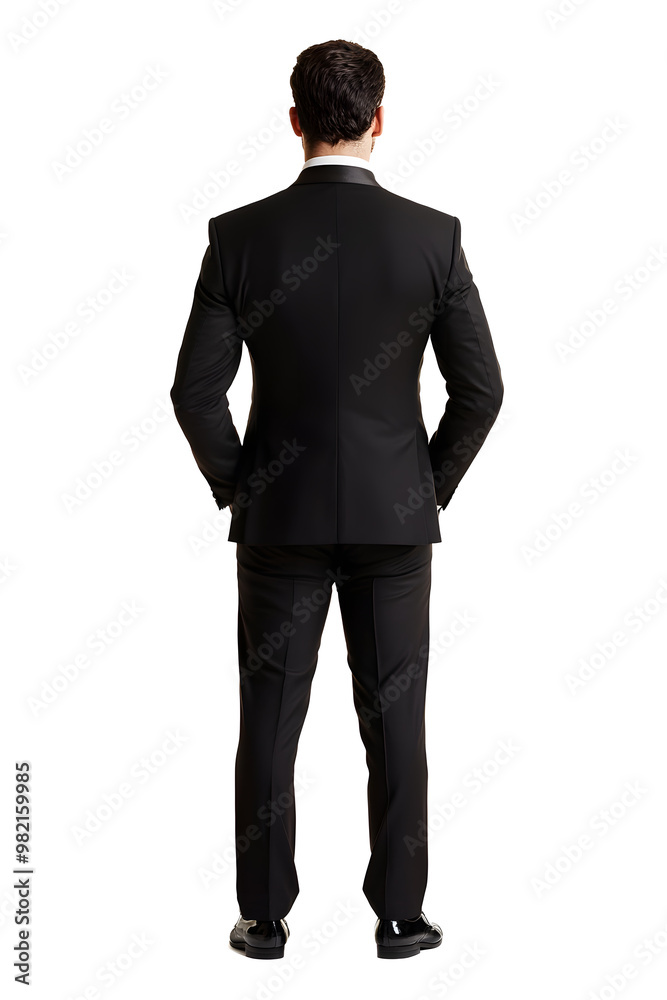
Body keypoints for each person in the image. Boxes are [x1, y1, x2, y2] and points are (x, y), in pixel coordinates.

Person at [170, 38, 503, 960]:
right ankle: (398, 918)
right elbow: (481, 392)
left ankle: (263, 918)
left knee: (268, 720)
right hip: (394, 524)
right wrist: (421, 489)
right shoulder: (432, 237)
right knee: (396, 721)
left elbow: (194, 393)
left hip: (280, 521)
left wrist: (243, 487)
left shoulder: (238, 238)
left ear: (295, 121)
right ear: (378, 119)